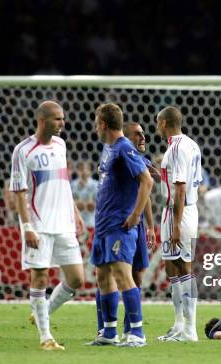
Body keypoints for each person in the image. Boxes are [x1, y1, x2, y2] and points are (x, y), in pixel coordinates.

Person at [10, 101, 85, 351]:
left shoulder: (61, 145)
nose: (62, 123)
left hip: (64, 224)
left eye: (63, 119)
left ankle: (42, 313)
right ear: (42, 121)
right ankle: (45, 337)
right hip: (39, 225)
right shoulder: (23, 151)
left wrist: (75, 213)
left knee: (76, 278)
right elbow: (19, 193)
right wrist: (26, 227)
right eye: (57, 119)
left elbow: (63, 183)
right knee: (40, 277)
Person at [87, 104, 153, 347]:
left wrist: (136, 215)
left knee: (124, 276)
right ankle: (109, 332)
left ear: (103, 124)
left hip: (119, 225)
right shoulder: (109, 148)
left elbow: (147, 181)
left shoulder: (125, 148)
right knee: (102, 277)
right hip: (103, 225)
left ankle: (137, 332)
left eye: (96, 122)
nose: (95, 126)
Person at [156, 106, 202, 342]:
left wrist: (176, 224)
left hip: (179, 212)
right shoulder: (191, 144)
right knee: (172, 267)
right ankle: (179, 325)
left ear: (164, 123)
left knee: (184, 267)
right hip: (180, 211)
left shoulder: (175, 148)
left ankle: (190, 330)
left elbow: (181, 187)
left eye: (157, 122)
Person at [71, 162, 98, 228]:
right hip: (77, 223)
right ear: (78, 170)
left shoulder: (95, 185)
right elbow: (72, 205)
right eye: (82, 169)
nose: (84, 171)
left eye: (87, 169)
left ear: (90, 171)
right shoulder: (74, 185)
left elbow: (93, 206)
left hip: (91, 223)